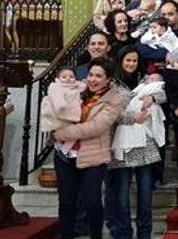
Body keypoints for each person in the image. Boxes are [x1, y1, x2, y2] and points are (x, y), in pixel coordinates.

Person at [53, 57, 124, 239]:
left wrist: (62, 133)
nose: (93, 79)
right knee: (67, 202)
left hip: (93, 157)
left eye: (99, 76)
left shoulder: (114, 100)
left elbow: (95, 127)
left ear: (108, 79)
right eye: (91, 74)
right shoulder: (78, 89)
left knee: (92, 202)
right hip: (65, 154)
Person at [104, 56, 163, 239]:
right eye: (127, 60)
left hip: (144, 143)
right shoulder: (111, 84)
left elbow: (163, 93)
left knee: (145, 194)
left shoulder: (145, 79)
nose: (131, 64)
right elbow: (110, 113)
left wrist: (152, 97)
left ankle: (145, 233)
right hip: (121, 145)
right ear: (120, 61)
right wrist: (132, 117)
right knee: (122, 194)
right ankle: (124, 233)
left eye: (135, 61)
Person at [41, 67, 86, 155]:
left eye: (71, 76)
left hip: (72, 116)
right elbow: (57, 99)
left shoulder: (76, 87)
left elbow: (83, 88)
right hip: (61, 113)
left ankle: (64, 149)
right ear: (58, 79)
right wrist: (60, 105)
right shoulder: (56, 87)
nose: (68, 79)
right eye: (64, 77)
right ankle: (54, 139)